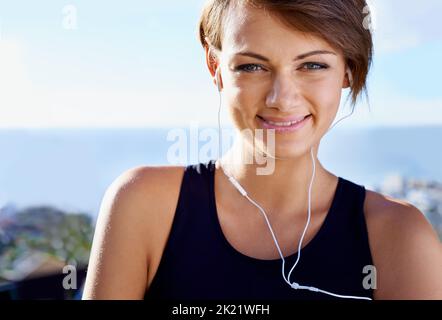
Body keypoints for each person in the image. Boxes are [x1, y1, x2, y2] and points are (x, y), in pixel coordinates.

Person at [82, 0, 442, 300]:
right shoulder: (143, 205)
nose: (281, 99)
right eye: (252, 66)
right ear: (215, 67)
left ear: (348, 69)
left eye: (312, 65)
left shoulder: (397, 234)